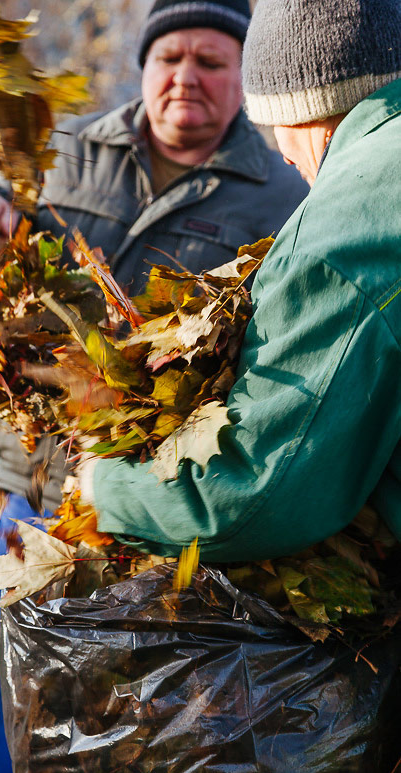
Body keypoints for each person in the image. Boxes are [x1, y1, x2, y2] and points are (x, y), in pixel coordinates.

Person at [0, 2, 308, 773]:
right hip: (37, 495)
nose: (186, 76)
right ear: (146, 67)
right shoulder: (61, 154)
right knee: (14, 706)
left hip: (159, 514)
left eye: (212, 62)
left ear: (243, 78)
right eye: (170, 57)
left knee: (134, 728)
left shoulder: (281, 194)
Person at [79, 0, 401, 564]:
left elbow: (255, 493)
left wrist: (101, 487)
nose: (292, 161)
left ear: (302, 106)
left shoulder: (343, 223)